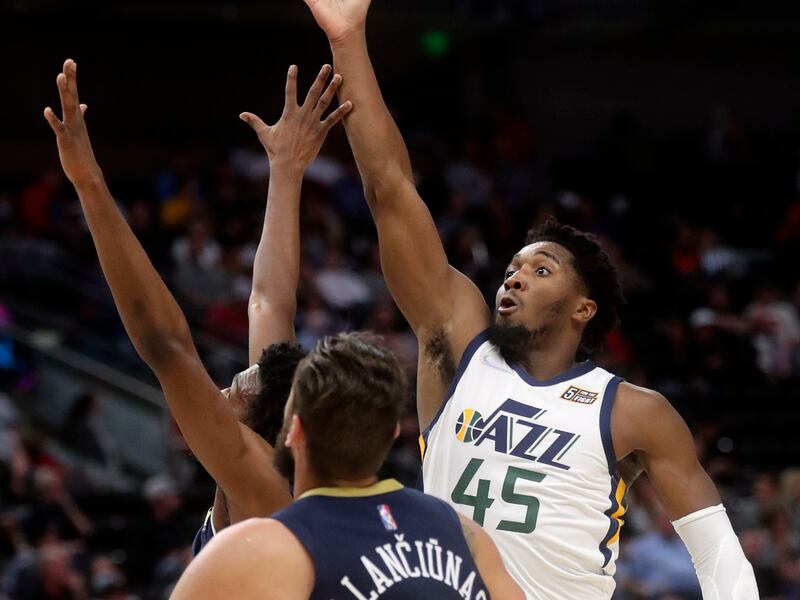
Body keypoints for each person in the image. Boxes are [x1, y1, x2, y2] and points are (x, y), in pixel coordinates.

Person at [300, 2, 760, 598]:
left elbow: (720, 559)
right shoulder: (458, 345)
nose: (512, 278)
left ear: (582, 308)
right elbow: (389, 189)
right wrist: (349, 39)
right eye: (513, 267)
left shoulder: (634, 412)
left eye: (540, 270)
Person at [43, 58, 351, 551]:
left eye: (241, 389)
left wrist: (90, 185)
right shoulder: (268, 456)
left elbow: (165, 344)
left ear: (270, 427)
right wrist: (287, 172)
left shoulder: (263, 485)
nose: (229, 387)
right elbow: (269, 301)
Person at [171, 332, 524, 600]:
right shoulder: (461, 531)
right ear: (393, 434)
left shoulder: (266, 542)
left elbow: (164, 342)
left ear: (294, 431)